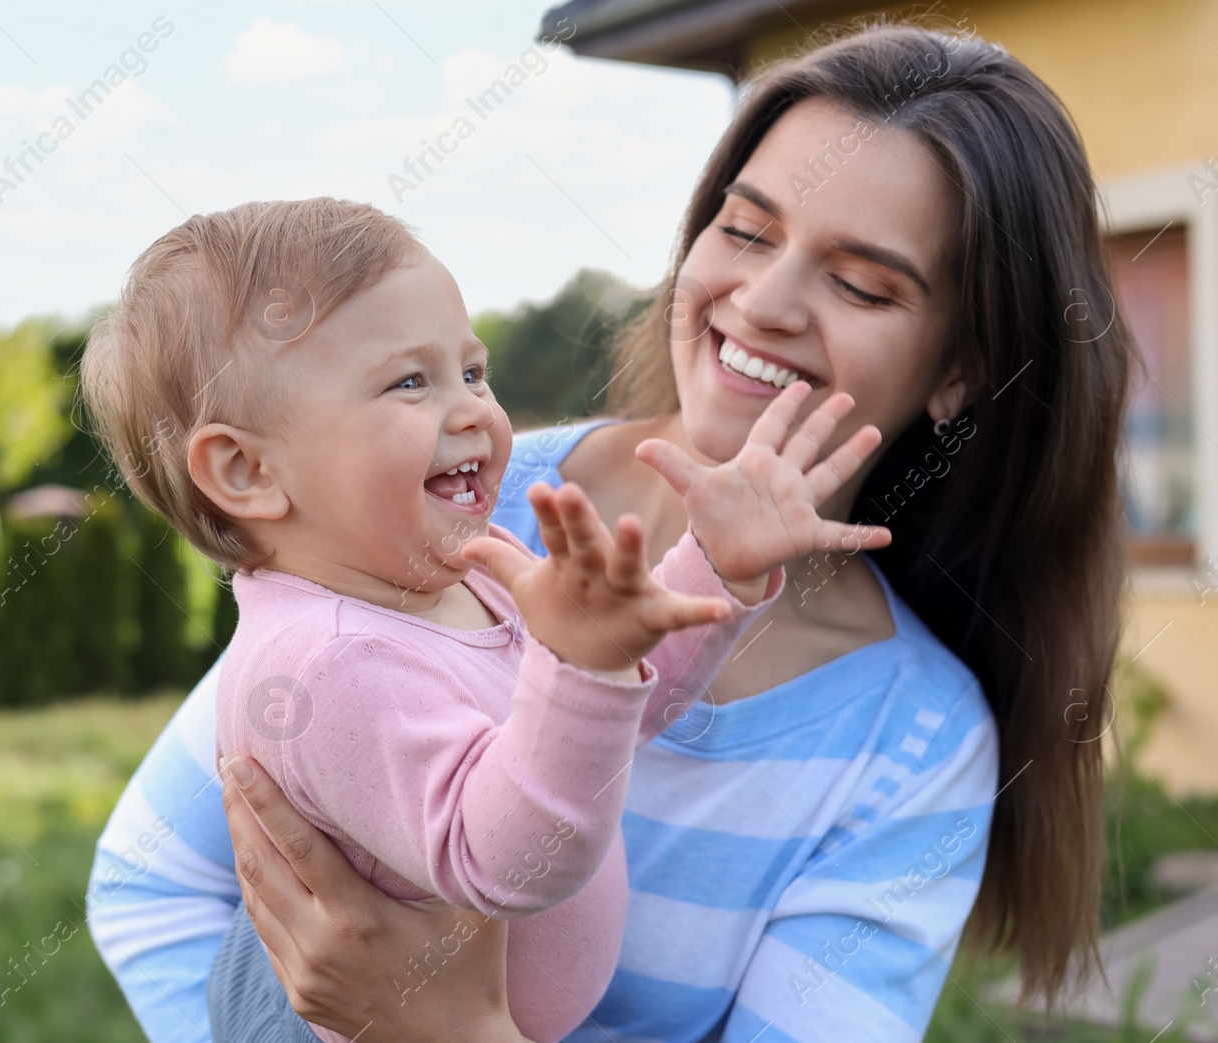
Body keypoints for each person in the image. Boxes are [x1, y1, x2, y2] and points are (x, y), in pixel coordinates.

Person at [86, 22, 1133, 1043]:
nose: (762, 300)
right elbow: (157, 883)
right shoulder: (443, 507)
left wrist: (451, 1030)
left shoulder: (916, 743)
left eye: (861, 282)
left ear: (960, 367)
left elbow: (605, 706)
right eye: (745, 229)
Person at [79, 195, 892, 1042]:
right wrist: (578, 665)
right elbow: (505, 859)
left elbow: (617, 717)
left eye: (472, 371)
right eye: (409, 382)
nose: (473, 410)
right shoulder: (329, 665)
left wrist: (713, 566)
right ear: (246, 469)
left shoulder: (459, 573)